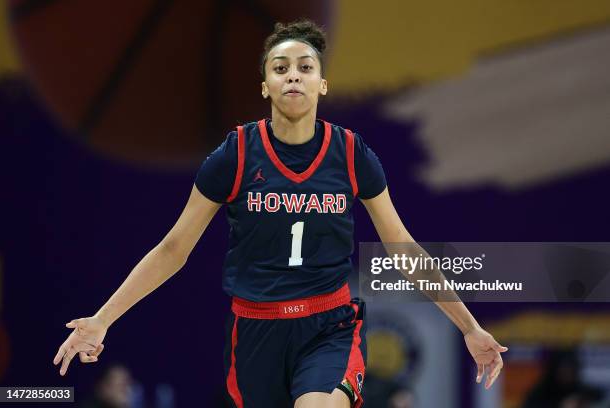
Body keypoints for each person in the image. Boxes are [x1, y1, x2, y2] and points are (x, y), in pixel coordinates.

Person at [53, 19, 508, 408]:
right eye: (281, 68)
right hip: (255, 331)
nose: (294, 76)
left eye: (306, 68)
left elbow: (402, 248)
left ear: (322, 84)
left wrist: (470, 327)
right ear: (265, 85)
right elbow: (173, 249)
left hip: (328, 326)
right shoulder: (234, 156)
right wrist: (102, 319)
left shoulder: (351, 155)